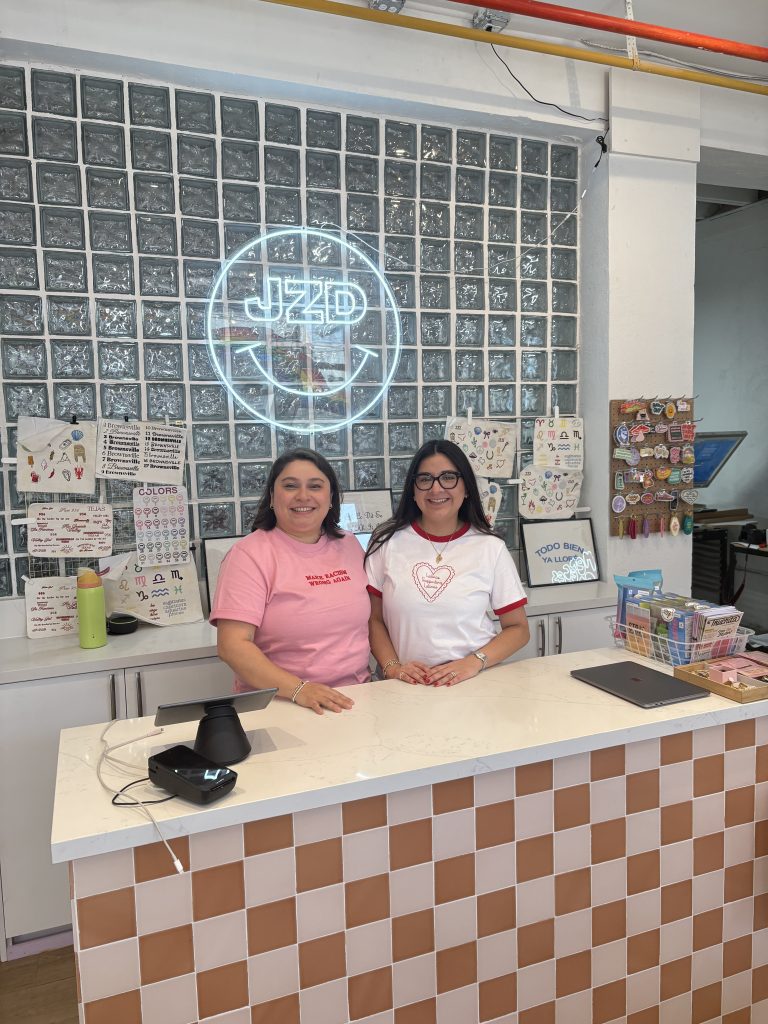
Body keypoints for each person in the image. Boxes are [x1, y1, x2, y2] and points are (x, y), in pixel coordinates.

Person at [210, 449, 370, 714]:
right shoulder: (249, 555)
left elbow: (373, 619)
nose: (303, 496)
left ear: (330, 498)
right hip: (280, 704)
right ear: (272, 497)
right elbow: (232, 645)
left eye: (315, 486)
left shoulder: (350, 544)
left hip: (356, 699)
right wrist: (300, 689)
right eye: (290, 486)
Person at [365, 439, 530, 686]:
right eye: (425, 479)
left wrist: (473, 662)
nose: (436, 489)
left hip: (472, 683)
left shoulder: (490, 547)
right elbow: (372, 619)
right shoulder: (386, 541)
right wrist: (393, 668)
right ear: (413, 489)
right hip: (404, 686)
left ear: (466, 488)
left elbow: (518, 628)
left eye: (448, 477)